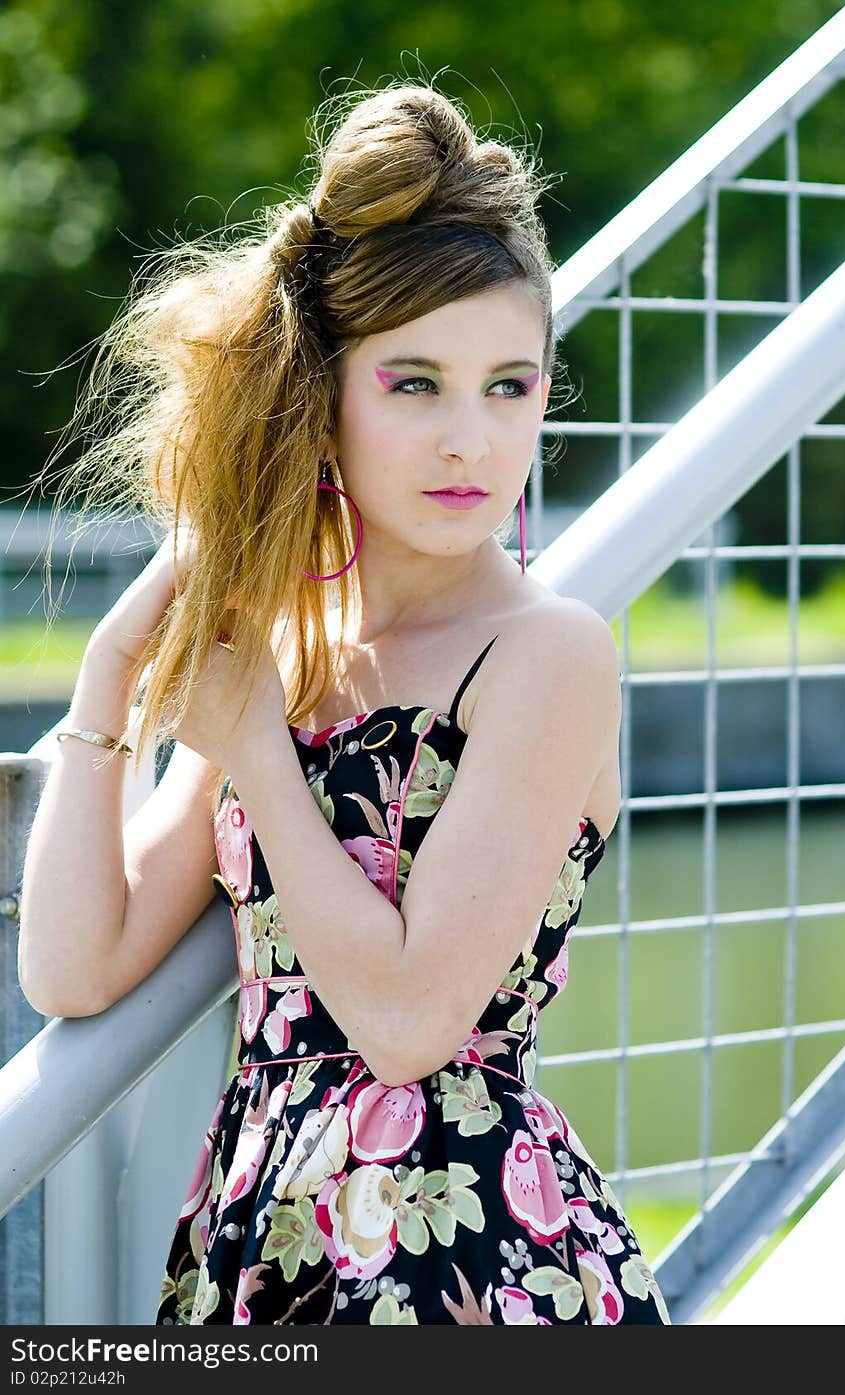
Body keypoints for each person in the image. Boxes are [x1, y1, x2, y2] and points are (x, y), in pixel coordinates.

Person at [17, 81, 670, 1326]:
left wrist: (259, 758)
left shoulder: (546, 653)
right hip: (263, 1243)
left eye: (510, 386)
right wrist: (110, 674)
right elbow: (72, 967)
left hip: (464, 1246)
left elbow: (414, 1023)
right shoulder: (293, 655)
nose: (471, 443)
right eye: (414, 384)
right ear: (326, 391)